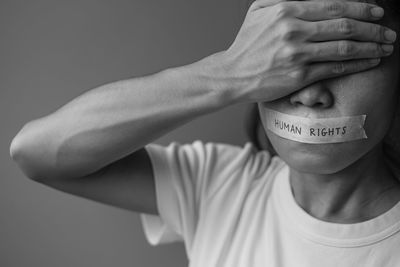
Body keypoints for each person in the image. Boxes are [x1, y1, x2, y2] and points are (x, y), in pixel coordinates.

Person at [9, 0, 400, 266]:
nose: (311, 94)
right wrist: (228, 71)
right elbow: (35, 152)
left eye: (350, 59)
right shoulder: (219, 185)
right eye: (291, 59)